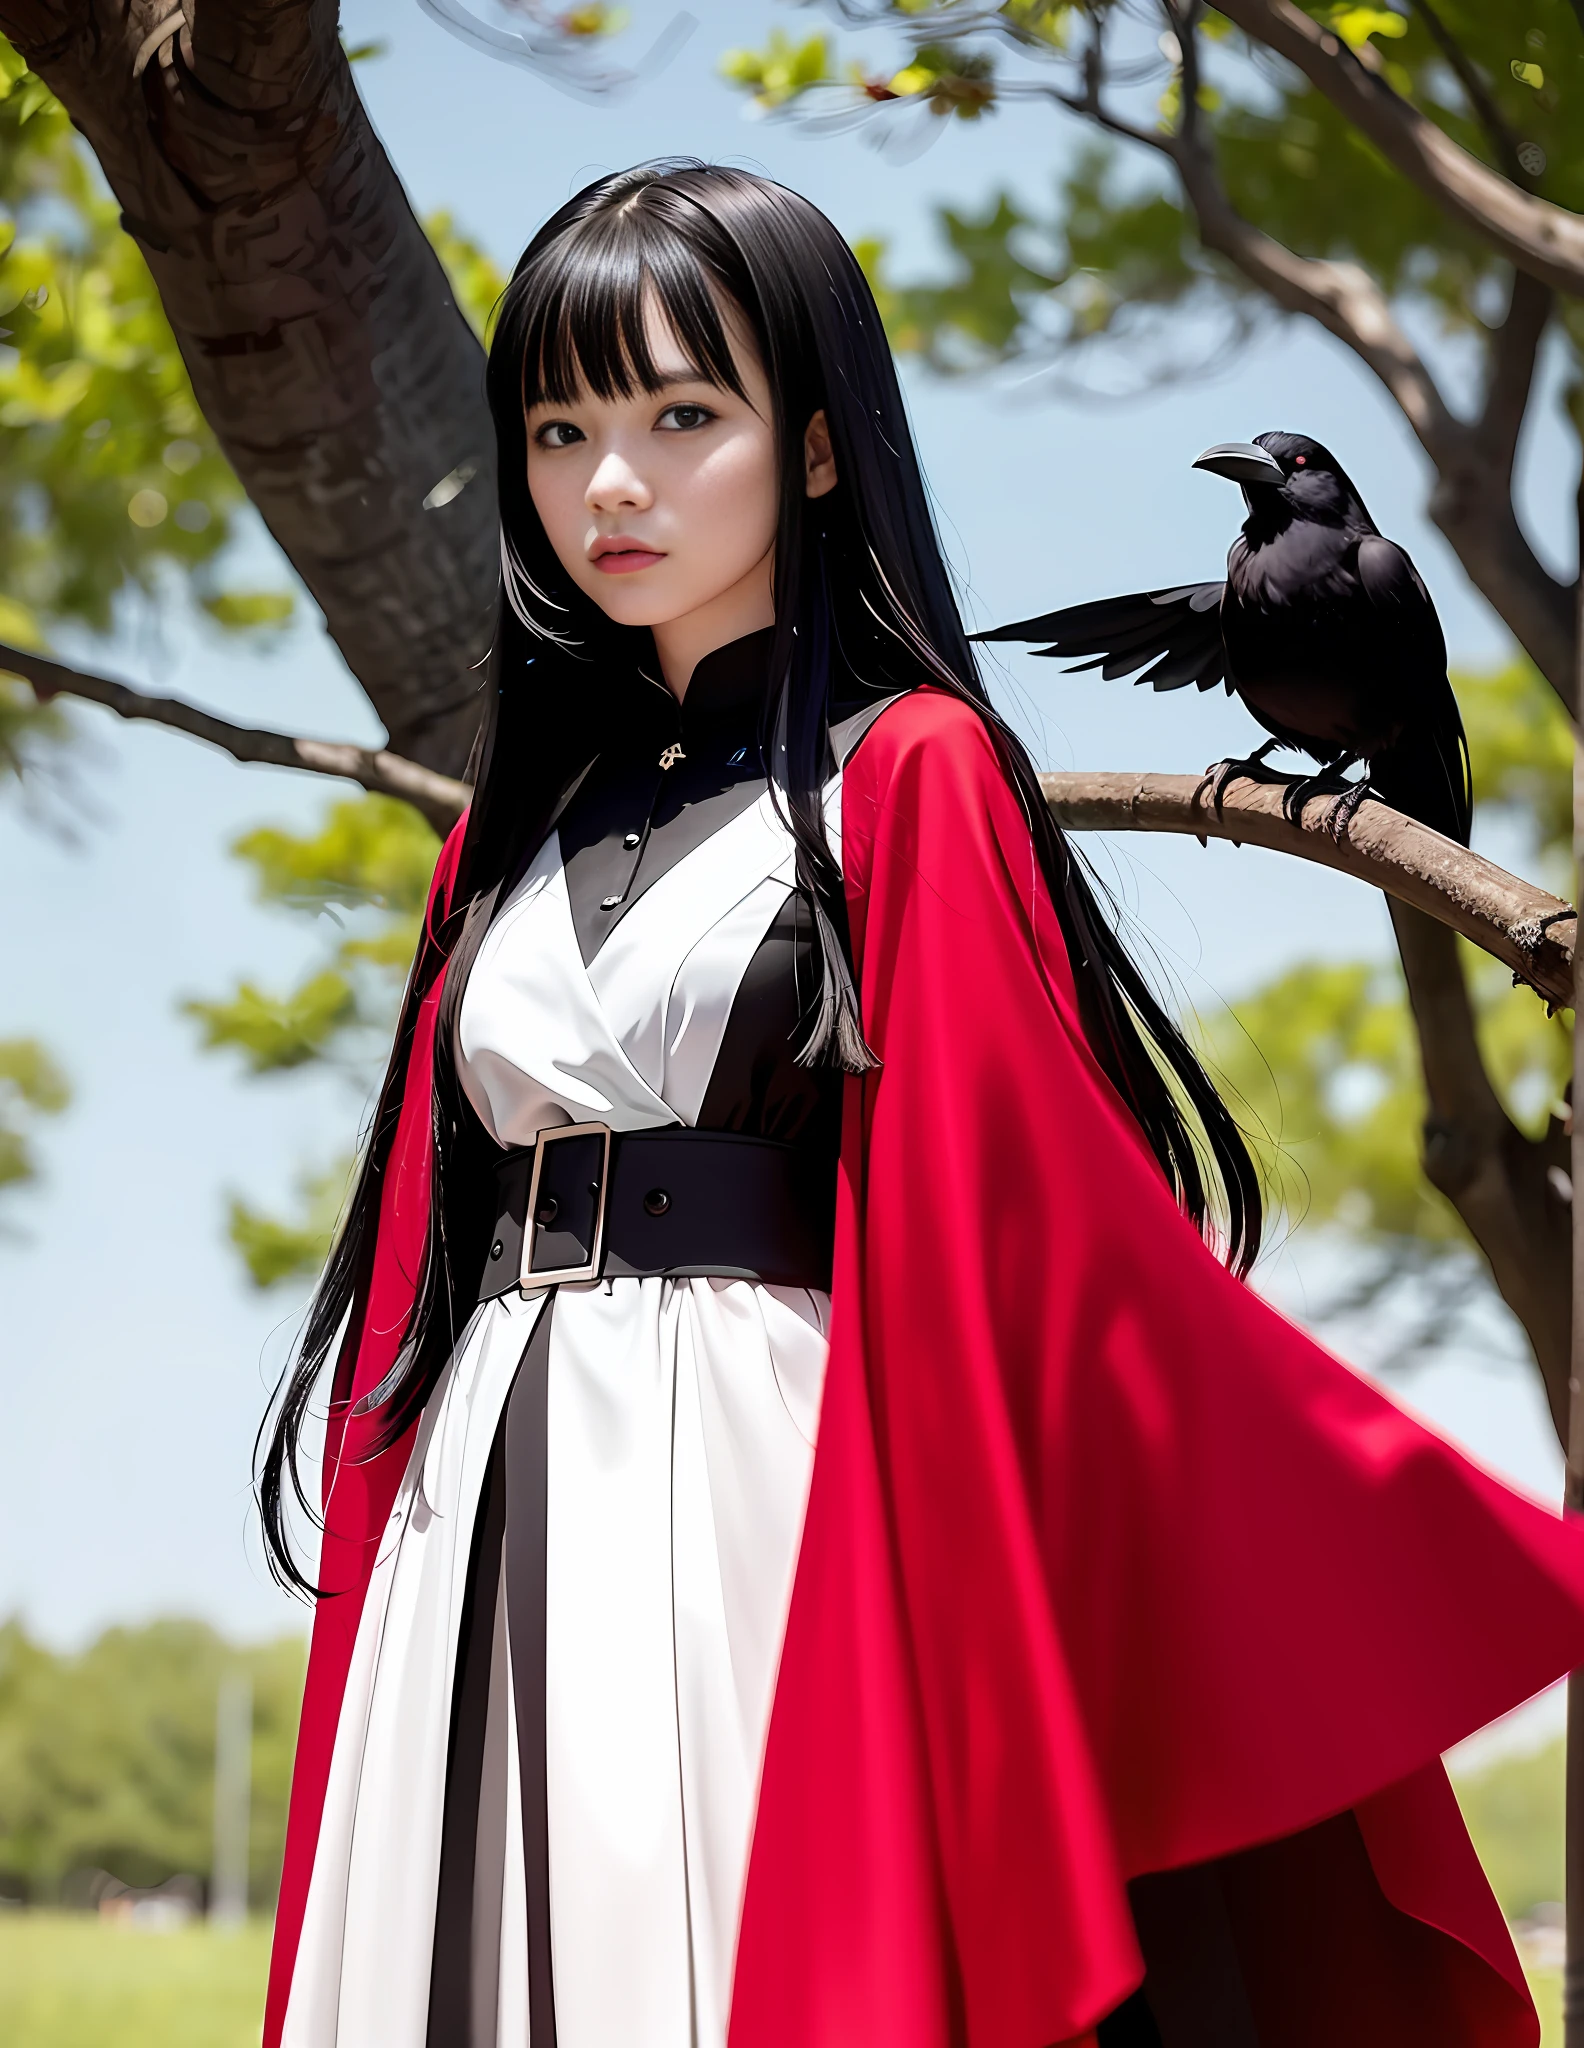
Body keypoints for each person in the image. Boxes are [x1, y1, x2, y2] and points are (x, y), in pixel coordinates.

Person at [260, 162, 1584, 2048]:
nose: (608, 484)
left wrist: (1367, 1521)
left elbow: (1026, 1217)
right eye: (559, 428)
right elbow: (427, 1240)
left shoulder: (917, 772)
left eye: (680, 415)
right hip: (477, 1486)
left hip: (760, 1476)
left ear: (811, 451)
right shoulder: (501, 837)